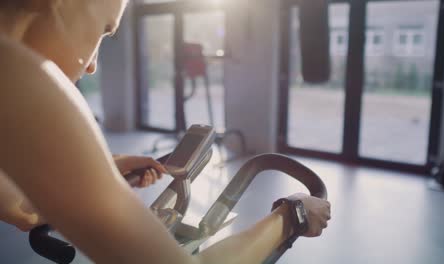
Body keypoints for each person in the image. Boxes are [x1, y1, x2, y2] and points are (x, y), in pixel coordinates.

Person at [0, 0, 331, 263]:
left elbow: (21, 205)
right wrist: (293, 215)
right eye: (103, 29)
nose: (92, 65)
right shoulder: (21, 77)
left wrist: (105, 169)